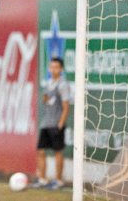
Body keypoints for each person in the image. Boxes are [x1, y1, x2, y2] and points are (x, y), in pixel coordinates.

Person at [34, 57, 70, 190]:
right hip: (46, 123)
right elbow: (46, 100)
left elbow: (66, 106)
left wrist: (60, 124)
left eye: (56, 67)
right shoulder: (48, 83)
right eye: (51, 67)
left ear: (61, 69)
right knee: (40, 151)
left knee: (57, 152)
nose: (53, 69)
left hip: (56, 124)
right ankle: (42, 179)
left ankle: (59, 180)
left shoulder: (63, 85)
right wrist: (45, 98)